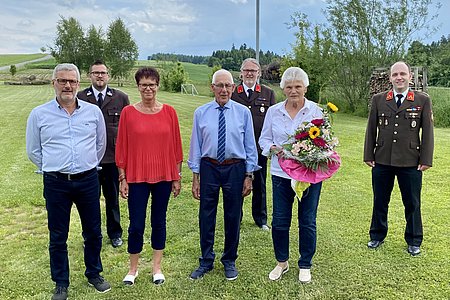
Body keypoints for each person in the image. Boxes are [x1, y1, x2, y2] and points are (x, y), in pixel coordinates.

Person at [26, 63, 110, 300]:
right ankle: (61, 282)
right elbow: (34, 150)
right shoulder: (39, 114)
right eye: (62, 81)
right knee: (58, 234)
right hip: (56, 183)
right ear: (53, 83)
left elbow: (100, 146)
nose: (67, 85)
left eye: (72, 81)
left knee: (93, 232)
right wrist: (55, 165)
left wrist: (86, 164)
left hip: (87, 180)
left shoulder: (93, 112)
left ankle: (94, 273)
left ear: (78, 84)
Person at [188, 69, 259, 281]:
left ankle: (229, 260)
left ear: (233, 87)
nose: (224, 90)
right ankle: (206, 260)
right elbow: (196, 146)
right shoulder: (201, 113)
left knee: (233, 215)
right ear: (212, 88)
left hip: (235, 168)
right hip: (209, 167)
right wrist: (195, 177)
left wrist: (249, 175)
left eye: (228, 85)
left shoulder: (242, 113)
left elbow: (250, 146)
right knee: (206, 215)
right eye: (220, 85)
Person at [116, 67, 183, 286]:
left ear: (158, 86)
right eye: (144, 84)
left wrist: (177, 176)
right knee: (136, 224)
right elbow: (122, 147)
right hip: (136, 177)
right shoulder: (128, 113)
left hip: (163, 176)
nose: (148, 89)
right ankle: (133, 269)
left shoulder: (169, 112)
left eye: (152, 84)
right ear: (138, 87)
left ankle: (156, 268)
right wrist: (122, 177)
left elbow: (176, 146)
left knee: (158, 221)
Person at [259, 67, 323, 283]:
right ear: (283, 88)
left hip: (308, 177)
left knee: (307, 220)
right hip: (281, 174)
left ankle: (305, 264)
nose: (293, 90)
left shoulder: (316, 111)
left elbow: (324, 142)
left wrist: (312, 153)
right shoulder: (274, 111)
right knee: (279, 221)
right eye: (289, 87)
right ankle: (281, 262)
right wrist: (273, 149)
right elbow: (264, 140)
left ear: (305, 87)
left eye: (298, 86)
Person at [364, 61, 434, 256]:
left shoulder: (421, 100)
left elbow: (427, 132)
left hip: (410, 160)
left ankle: (414, 240)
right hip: (382, 159)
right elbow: (371, 129)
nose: (399, 78)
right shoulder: (379, 99)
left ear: (410, 77)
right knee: (380, 200)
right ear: (390, 78)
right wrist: (369, 154)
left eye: (403, 74)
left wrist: (426, 159)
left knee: (412, 202)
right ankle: (377, 235)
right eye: (395, 74)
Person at [78, 60, 129, 248]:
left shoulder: (120, 98)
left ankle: (115, 233)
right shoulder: (81, 97)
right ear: (89, 75)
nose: (100, 76)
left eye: (103, 73)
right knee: (89, 201)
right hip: (88, 159)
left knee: (112, 198)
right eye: (96, 73)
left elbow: (126, 131)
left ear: (108, 75)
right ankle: (91, 236)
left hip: (111, 158)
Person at [232, 58, 276, 231]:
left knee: (260, 184)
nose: (249, 73)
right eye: (246, 70)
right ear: (241, 72)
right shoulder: (233, 92)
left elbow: (273, 121)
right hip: (237, 149)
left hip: (258, 149)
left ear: (259, 73)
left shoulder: (268, 93)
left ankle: (261, 219)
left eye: (253, 70)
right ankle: (236, 216)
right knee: (236, 184)